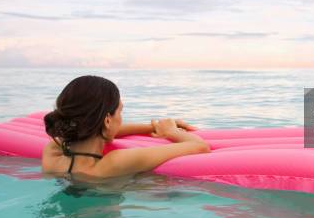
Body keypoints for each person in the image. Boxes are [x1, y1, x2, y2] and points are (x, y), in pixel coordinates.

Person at [41, 75, 210, 177]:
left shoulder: (52, 155)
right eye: (120, 112)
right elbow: (200, 147)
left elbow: (93, 129)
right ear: (107, 120)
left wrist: (152, 127)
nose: (121, 118)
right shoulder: (116, 161)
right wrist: (170, 131)